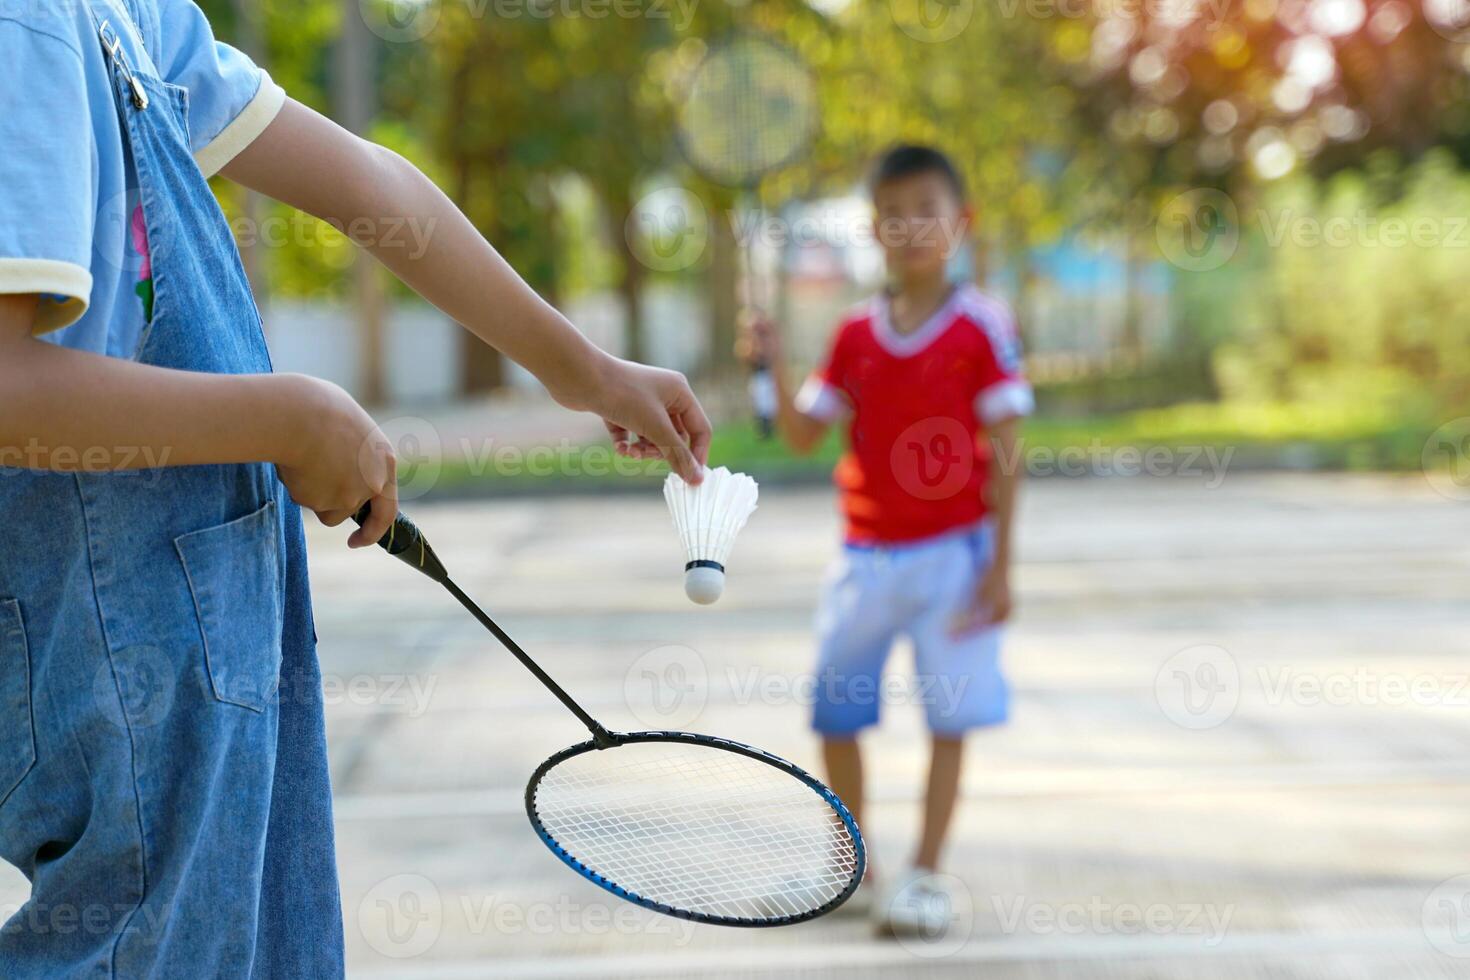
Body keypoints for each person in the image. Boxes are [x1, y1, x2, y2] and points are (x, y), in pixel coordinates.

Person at [0, 3, 709, 976]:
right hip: (108, 628)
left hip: (204, 619)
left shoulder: (131, 13)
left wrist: (581, 366)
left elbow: (369, 184)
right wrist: (288, 418)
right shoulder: (27, 27)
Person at [739, 144, 1031, 936]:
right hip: (864, 557)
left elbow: (1008, 448)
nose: (910, 227)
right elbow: (801, 436)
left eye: (925, 209)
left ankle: (927, 876)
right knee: (835, 713)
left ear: (960, 223)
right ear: (874, 227)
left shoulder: (982, 327)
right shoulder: (854, 336)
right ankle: (850, 872)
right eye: (893, 213)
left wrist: (1000, 566)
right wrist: (771, 361)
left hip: (954, 556)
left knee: (949, 719)